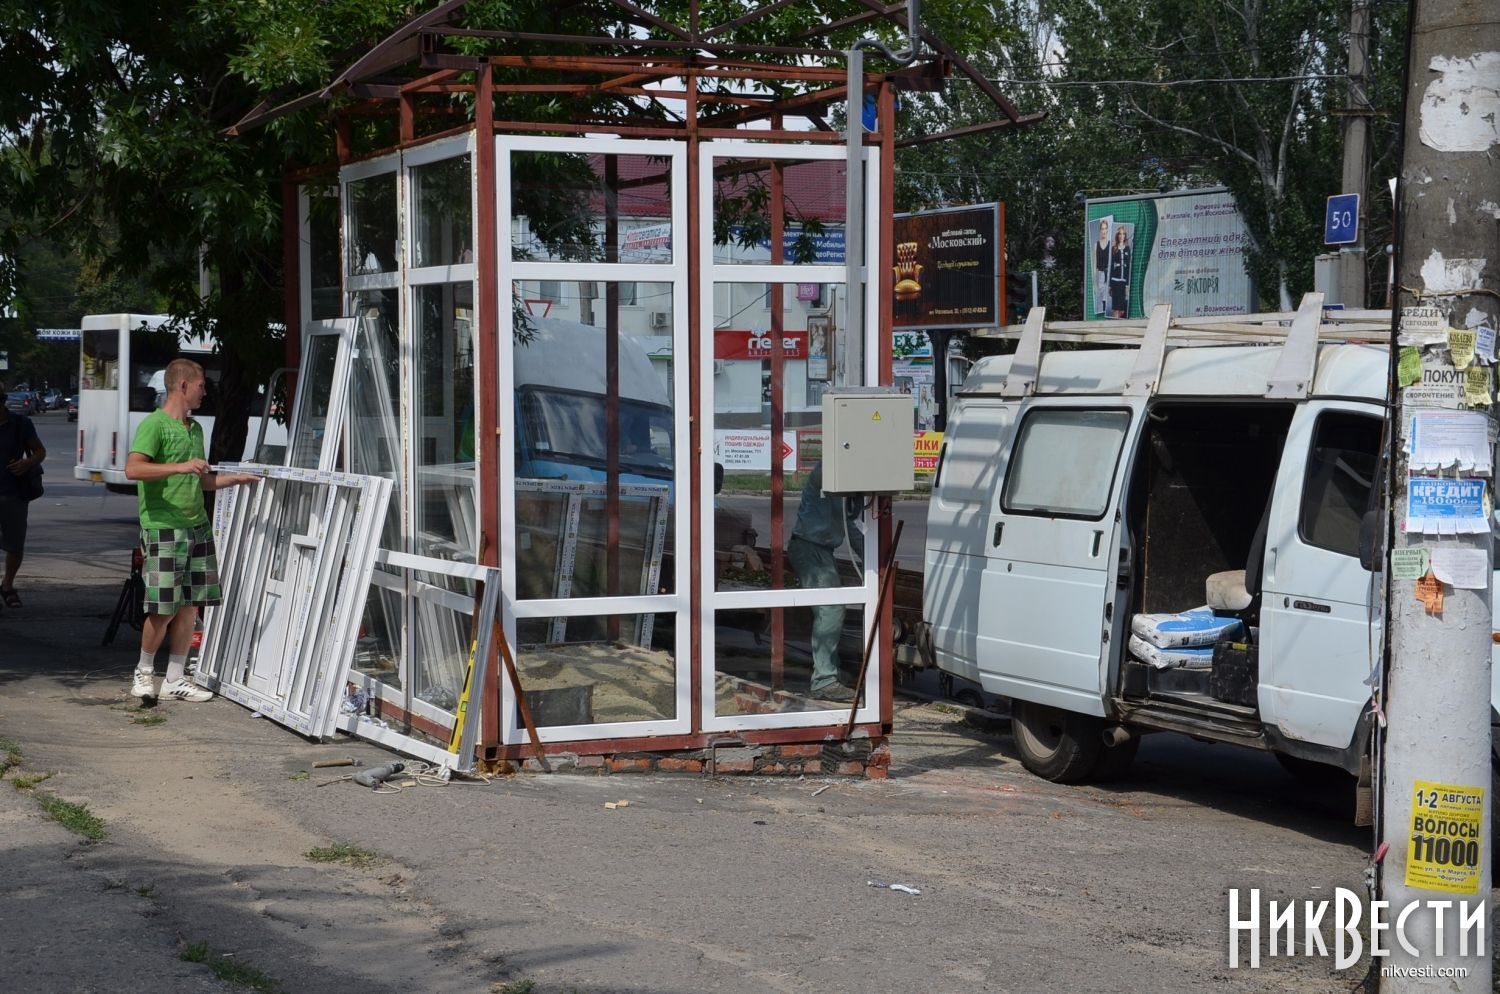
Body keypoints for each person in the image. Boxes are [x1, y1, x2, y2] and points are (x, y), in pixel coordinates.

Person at [124, 359, 259, 703]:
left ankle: (175, 678)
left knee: (190, 607)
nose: (205, 390)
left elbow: (202, 480)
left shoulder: (195, 428)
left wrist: (238, 479)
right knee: (163, 608)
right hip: (163, 529)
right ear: (182, 385)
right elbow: (133, 468)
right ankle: (143, 673)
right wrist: (181, 466)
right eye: (201, 384)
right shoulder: (154, 425)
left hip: (196, 527)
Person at [787, 463, 865, 703]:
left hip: (821, 551)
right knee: (830, 609)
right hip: (809, 548)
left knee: (830, 610)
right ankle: (824, 680)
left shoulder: (839, 493)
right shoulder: (827, 473)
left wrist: (871, 556)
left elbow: (848, 526)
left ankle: (831, 671)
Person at [0, 386, 46, 608]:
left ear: (3, 400)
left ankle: (7, 585)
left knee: (14, 545)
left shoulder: (20, 424)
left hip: (13, 493)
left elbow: (40, 451)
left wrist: (27, 462)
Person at [1108, 225, 1132, 318]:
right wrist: (1110, 284)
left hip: (1123, 282)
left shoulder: (1127, 249)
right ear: (1117, 236)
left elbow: (1128, 266)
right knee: (1115, 307)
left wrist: (1127, 284)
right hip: (1115, 280)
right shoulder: (1114, 248)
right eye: (1120, 234)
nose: (1121, 236)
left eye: (1123, 234)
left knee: (1122, 308)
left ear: (1125, 236)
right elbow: (1110, 266)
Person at [1091, 219, 1112, 316]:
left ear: (1107, 230)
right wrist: (1094, 283)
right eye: (1102, 229)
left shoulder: (1111, 244)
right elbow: (1094, 264)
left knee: (1107, 297)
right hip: (1100, 274)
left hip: (1109, 273)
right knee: (1100, 298)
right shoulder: (1096, 245)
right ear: (1100, 230)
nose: (1104, 231)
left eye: (1105, 229)